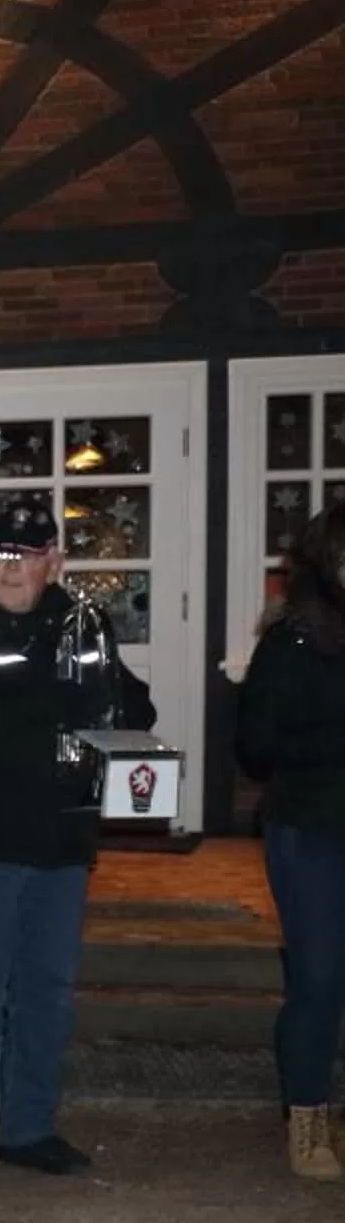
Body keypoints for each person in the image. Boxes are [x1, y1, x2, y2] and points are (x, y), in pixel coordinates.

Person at [0, 499, 155, 1180]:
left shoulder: (84, 625)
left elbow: (132, 704)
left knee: (48, 991)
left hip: (59, 834)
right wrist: (52, 696)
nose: (12, 568)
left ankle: (30, 1128)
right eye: (1, 553)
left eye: (29, 555)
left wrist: (106, 698)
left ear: (55, 562)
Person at [234, 497, 345, 1180]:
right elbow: (256, 746)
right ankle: (307, 1121)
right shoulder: (293, 641)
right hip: (311, 826)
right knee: (318, 977)